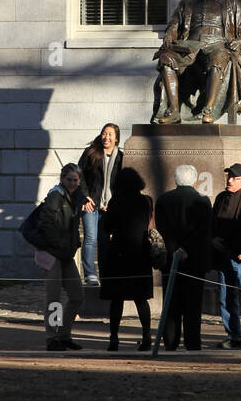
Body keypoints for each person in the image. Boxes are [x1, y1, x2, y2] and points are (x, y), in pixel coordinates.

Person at [152, 0, 241, 124]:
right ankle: (173, 110)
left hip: (218, 45)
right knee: (166, 59)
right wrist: (169, 35)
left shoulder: (231, 4)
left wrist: (240, 41)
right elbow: (173, 25)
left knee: (219, 58)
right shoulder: (186, 4)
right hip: (190, 47)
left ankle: (208, 109)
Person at [21, 163, 89, 351]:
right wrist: (59, 244)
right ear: (62, 179)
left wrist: (71, 245)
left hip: (66, 254)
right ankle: (52, 338)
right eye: (69, 180)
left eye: (76, 180)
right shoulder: (55, 197)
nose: (72, 183)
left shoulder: (76, 198)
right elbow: (47, 224)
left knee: (77, 295)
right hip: (53, 254)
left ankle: (64, 335)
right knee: (54, 299)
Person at [155, 164, 213, 350]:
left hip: (171, 258)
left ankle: (170, 341)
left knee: (171, 301)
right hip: (194, 259)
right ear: (195, 181)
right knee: (193, 303)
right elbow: (202, 231)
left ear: (175, 179)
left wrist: (175, 249)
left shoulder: (163, 200)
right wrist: (186, 249)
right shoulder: (203, 201)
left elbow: (163, 229)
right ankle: (192, 341)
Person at [100, 167, 154, 351]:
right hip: (140, 254)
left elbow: (107, 227)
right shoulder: (145, 201)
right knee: (141, 299)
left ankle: (114, 338)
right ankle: (146, 336)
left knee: (117, 299)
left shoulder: (116, 202)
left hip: (119, 254)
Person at [211, 165, 241, 348]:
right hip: (224, 254)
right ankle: (234, 336)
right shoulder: (222, 198)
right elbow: (213, 222)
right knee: (226, 297)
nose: (229, 179)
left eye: (234, 177)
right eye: (229, 175)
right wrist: (213, 239)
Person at [77, 122, 123, 285]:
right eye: (104, 133)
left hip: (109, 206)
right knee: (90, 238)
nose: (106, 137)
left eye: (110, 134)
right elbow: (78, 175)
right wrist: (84, 196)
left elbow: (121, 184)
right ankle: (90, 275)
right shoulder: (91, 153)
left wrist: (114, 203)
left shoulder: (121, 157)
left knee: (104, 241)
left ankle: (106, 275)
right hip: (91, 203)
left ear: (116, 138)